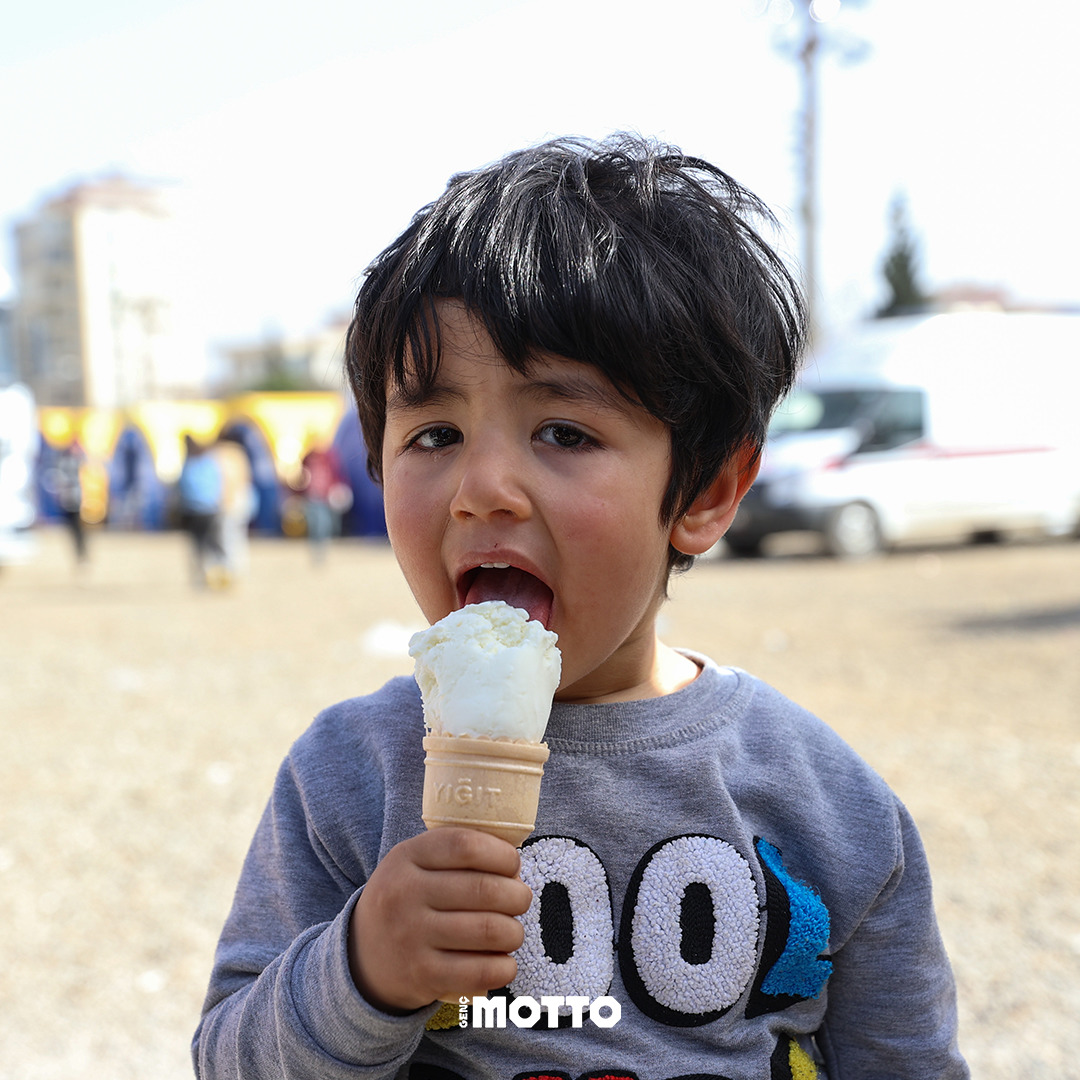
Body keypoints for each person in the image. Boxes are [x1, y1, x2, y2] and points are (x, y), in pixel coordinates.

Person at [193, 136, 968, 1079]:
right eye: (434, 433)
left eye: (563, 431)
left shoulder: (824, 806)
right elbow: (229, 1059)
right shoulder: (349, 779)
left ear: (708, 491)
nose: (483, 488)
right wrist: (358, 970)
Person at [177, 434, 223, 588]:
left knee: (198, 545)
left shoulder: (189, 463)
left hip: (194, 509)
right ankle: (214, 575)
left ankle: (204, 575)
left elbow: (183, 487)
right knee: (212, 544)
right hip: (209, 508)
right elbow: (218, 484)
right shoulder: (210, 461)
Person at [209, 430, 255, 583]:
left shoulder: (219, 453)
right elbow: (246, 477)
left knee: (224, 536)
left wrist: (224, 500)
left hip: (227, 500)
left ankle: (228, 569)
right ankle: (239, 568)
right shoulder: (239, 452)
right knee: (238, 536)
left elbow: (224, 480)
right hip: (243, 498)